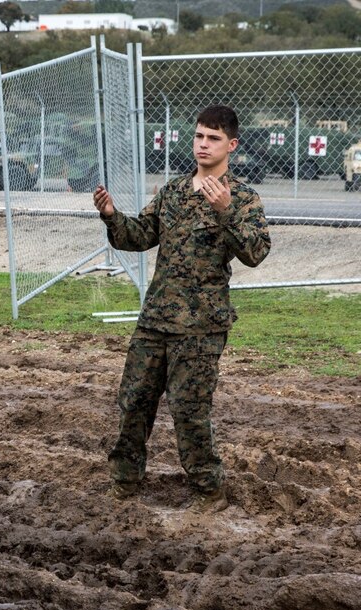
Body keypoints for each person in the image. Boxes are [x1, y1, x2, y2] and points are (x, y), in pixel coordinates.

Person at [92, 105, 271, 511]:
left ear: (232, 145)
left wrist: (225, 210)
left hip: (201, 326)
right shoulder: (173, 191)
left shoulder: (241, 197)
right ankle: (124, 484)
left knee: (189, 411)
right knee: (134, 401)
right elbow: (138, 236)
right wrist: (111, 215)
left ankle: (209, 492)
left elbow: (256, 253)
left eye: (213, 138)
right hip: (156, 319)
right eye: (198, 136)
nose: (203, 145)